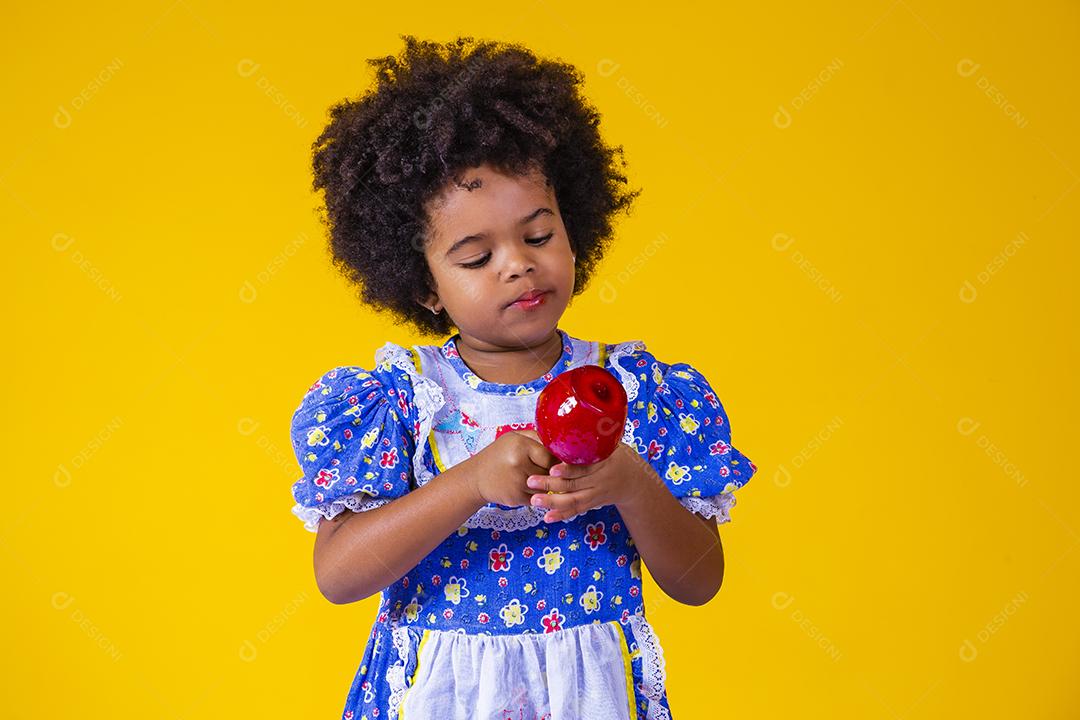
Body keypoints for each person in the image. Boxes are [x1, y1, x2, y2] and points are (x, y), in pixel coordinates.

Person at [289, 34, 758, 720]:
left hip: (591, 696)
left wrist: (629, 481)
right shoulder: (398, 402)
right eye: (477, 258)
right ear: (425, 288)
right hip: (443, 697)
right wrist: (471, 481)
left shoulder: (632, 389)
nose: (518, 264)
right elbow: (339, 575)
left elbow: (698, 582)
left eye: (538, 236)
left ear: (575, 225)